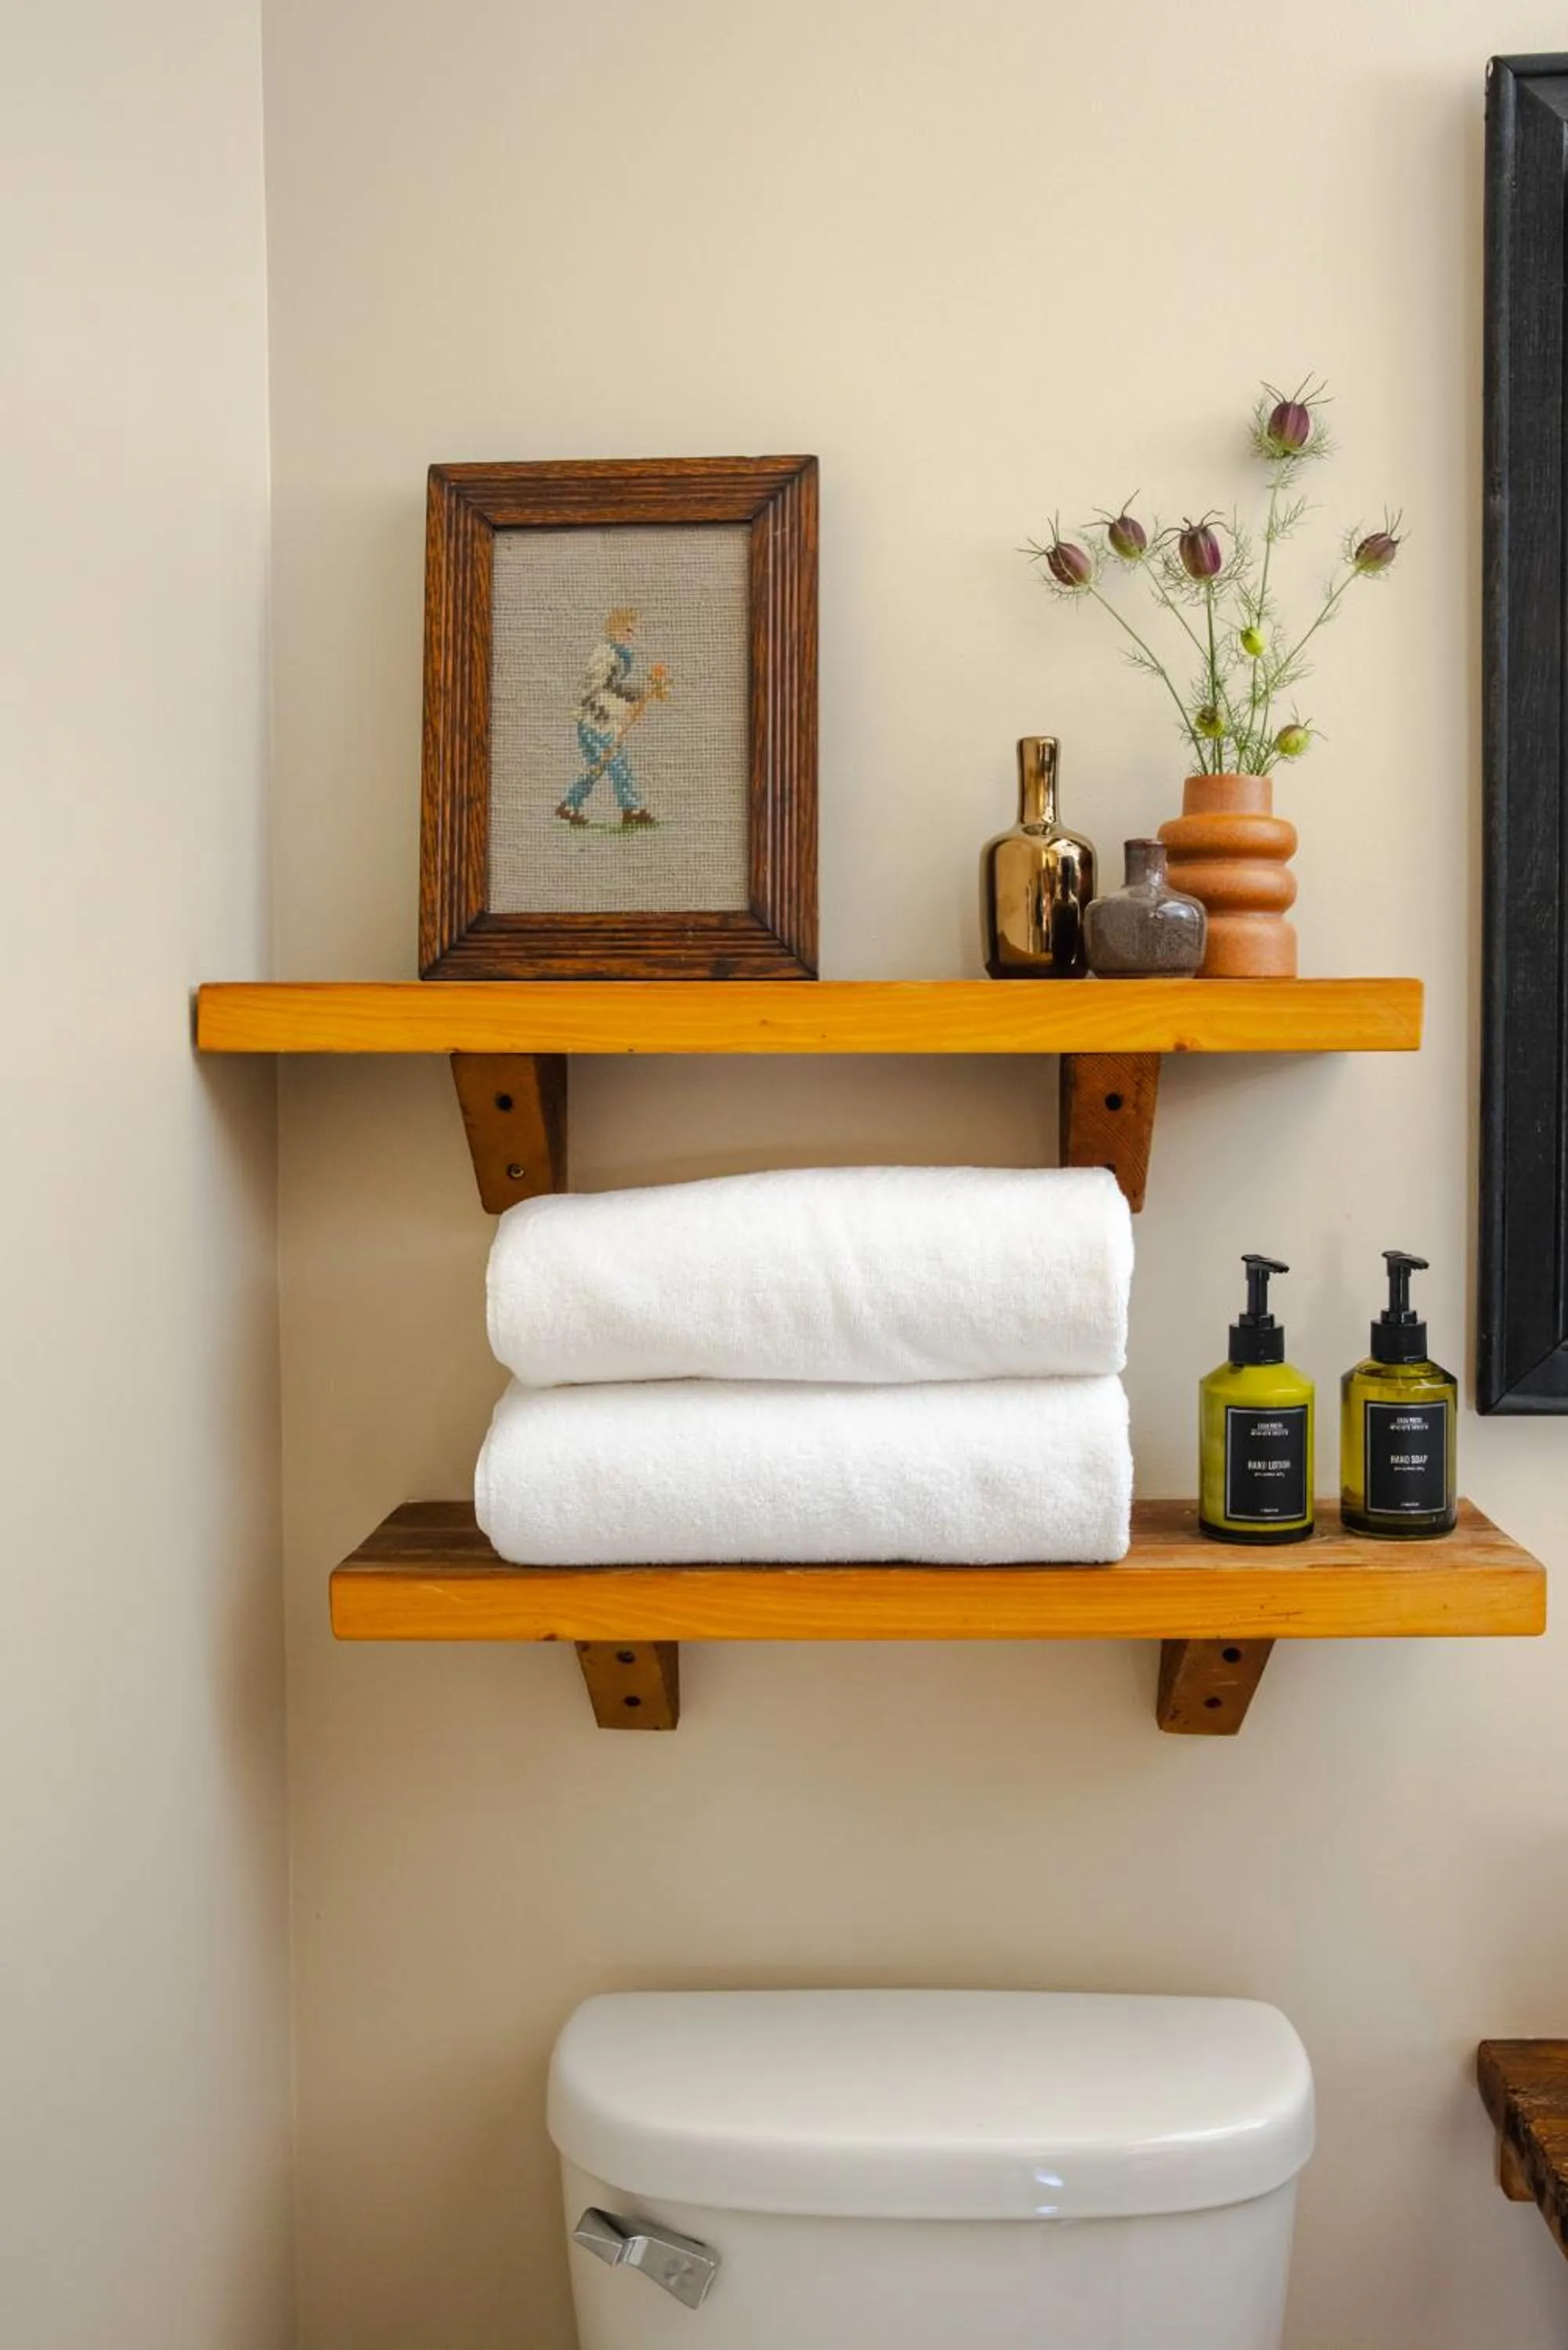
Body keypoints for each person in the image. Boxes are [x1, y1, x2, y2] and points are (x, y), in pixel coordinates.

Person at [555, 606, 669, 828]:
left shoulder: (618, 653)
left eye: (633, 631)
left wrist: (641, 691)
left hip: (603, 721)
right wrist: (629, 697)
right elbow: (598, 687)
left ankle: (570, 806)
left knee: (599, 766)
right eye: (627, 630)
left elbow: (615, 686)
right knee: (614, 763)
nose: (631, 635)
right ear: (614, 628)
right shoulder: (604, 654)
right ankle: (631, 809)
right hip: (595, 721)